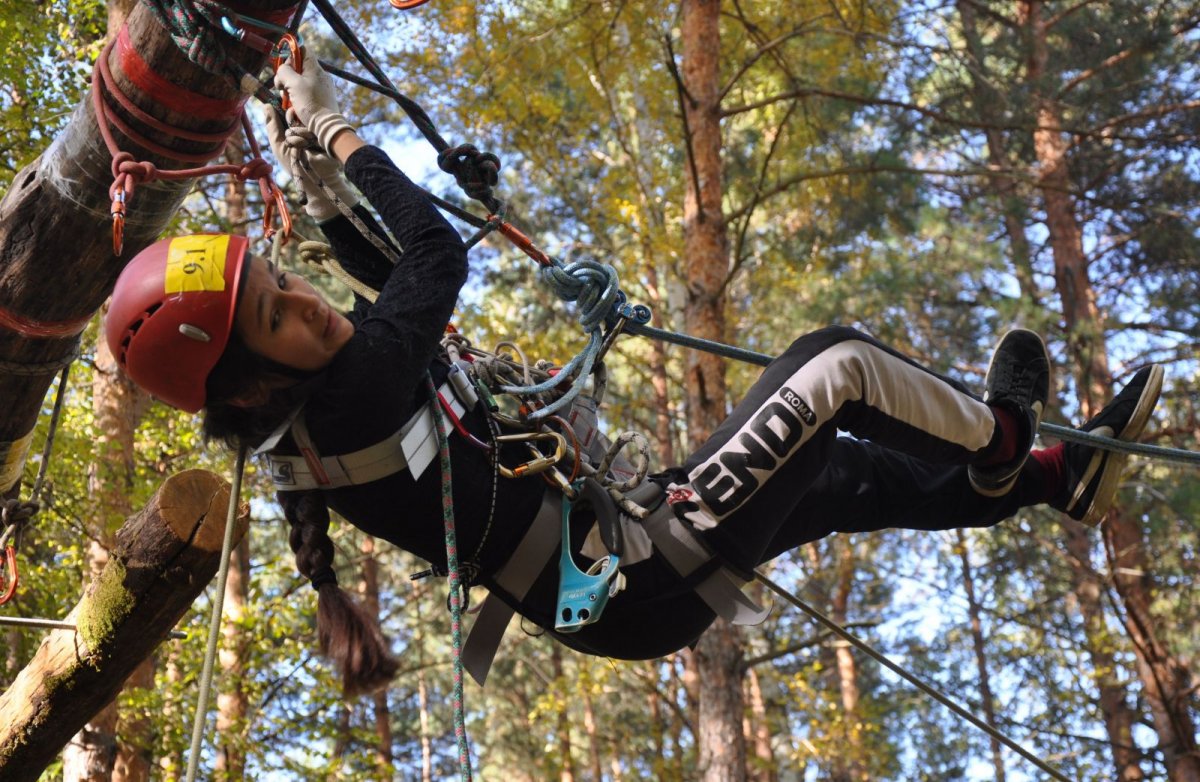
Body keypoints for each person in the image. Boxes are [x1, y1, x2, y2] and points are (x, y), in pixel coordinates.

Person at [104, 57, 1164, 694]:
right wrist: (336, 125)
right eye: (276, 316)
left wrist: (312, 169)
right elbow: (432, 261)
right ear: (246, 385)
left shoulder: (325, 409)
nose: (306, 301)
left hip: (631, 566)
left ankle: (1035, 480)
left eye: (283, 280)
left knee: (836, 471)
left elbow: (381, 285)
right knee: (835, 365)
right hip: (642, 564)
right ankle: (1010, 442)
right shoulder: (356, 392)